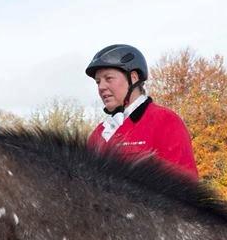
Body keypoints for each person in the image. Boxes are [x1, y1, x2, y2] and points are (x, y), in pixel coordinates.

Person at [85, 44, 199, 180]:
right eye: (98, 82)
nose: (101, 87)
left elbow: (186, 186)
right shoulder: (98, 135)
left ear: (133, 77)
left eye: (108, 78)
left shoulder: (166, 121)